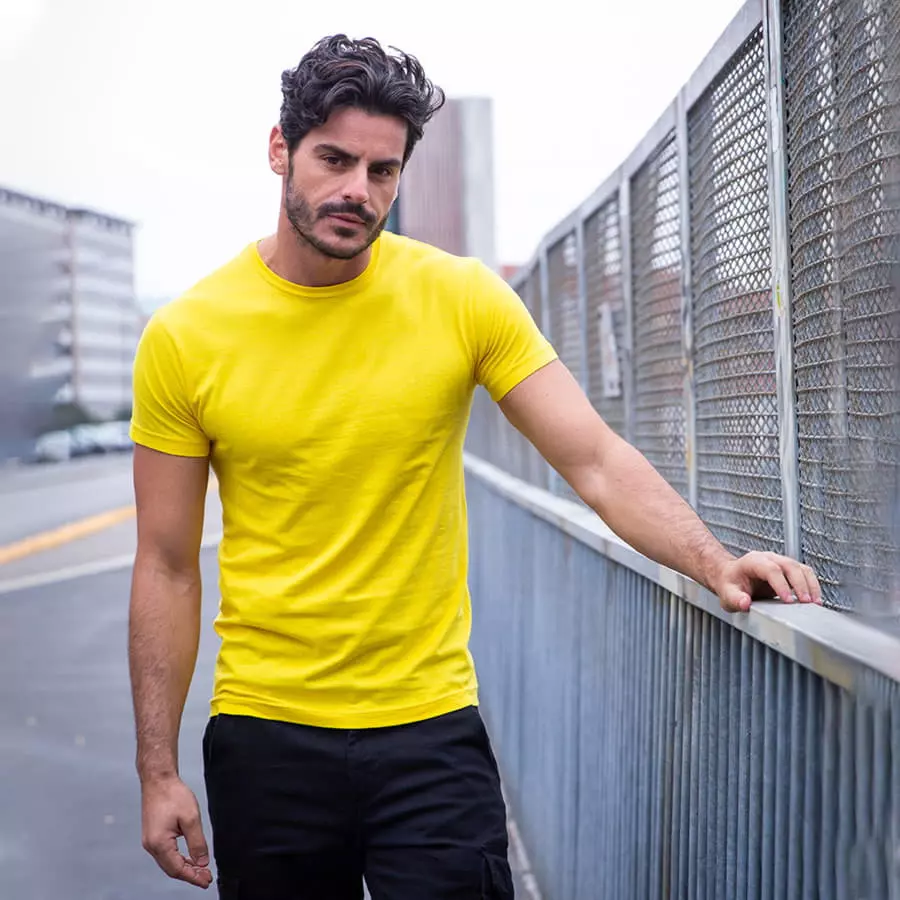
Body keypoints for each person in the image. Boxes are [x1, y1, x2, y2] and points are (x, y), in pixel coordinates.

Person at [127, 33, 822, 900]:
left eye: (382, 170)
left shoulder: (460, 297)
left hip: (429, 727)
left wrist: (714, 560)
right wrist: (158, 771)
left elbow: (596, 460)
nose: (357, 190)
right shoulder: (187, 337)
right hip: (266, 733)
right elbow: (165, 564)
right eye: (334, 159)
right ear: (280, 149)